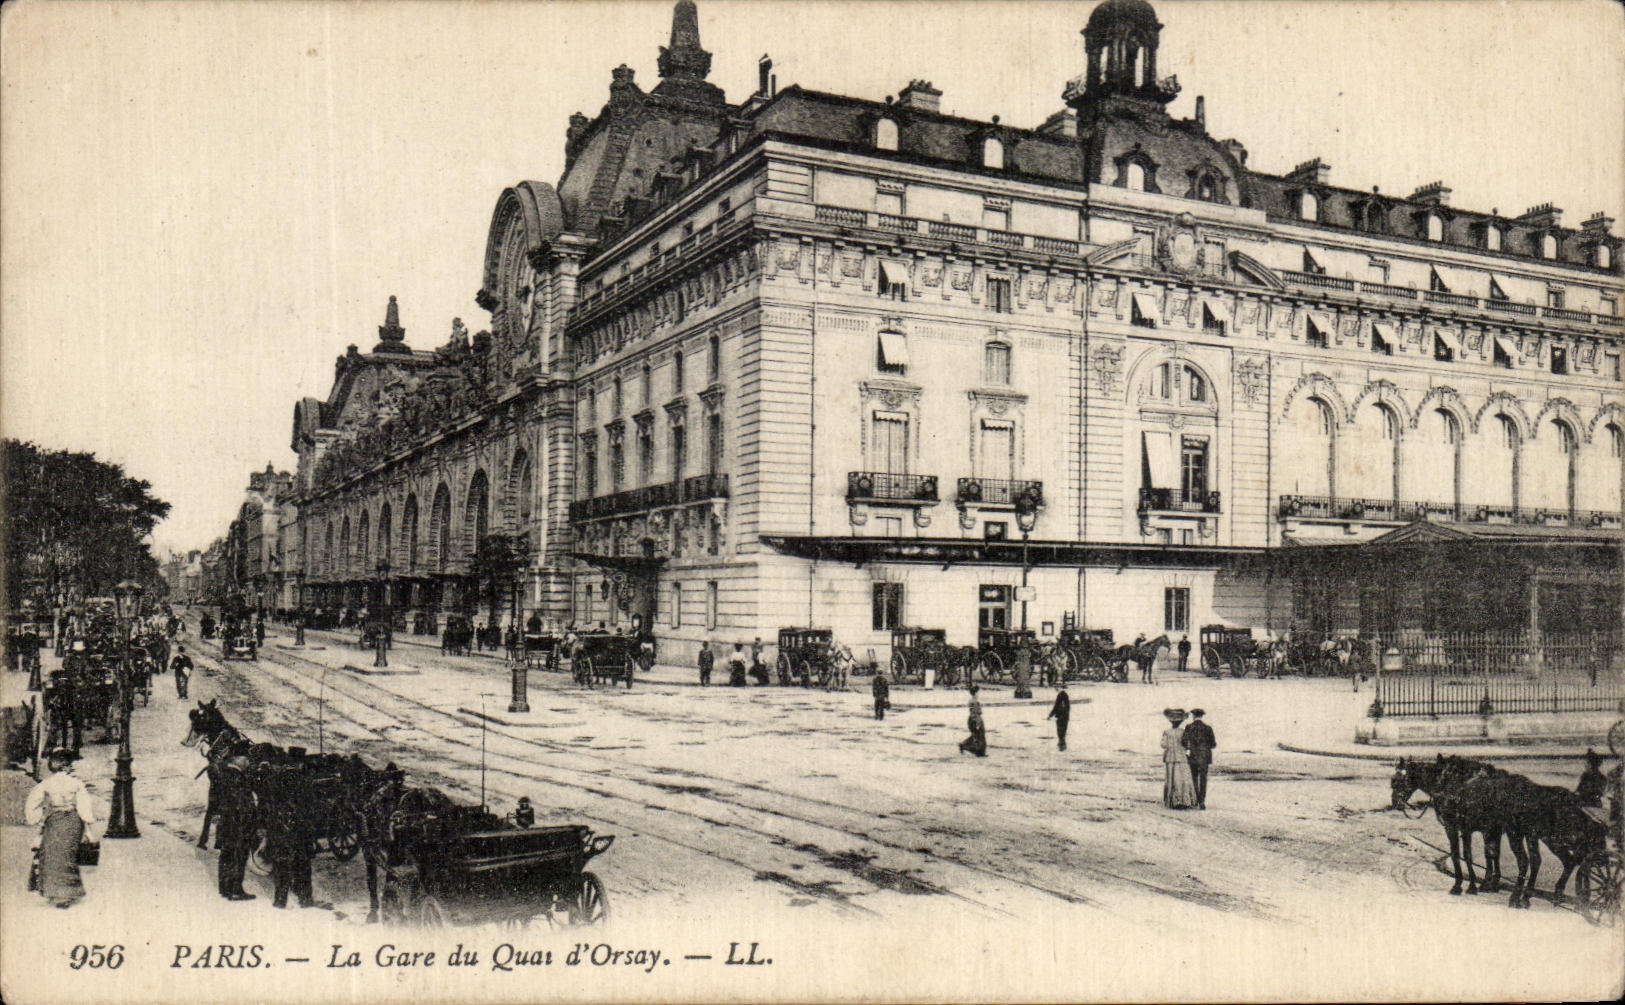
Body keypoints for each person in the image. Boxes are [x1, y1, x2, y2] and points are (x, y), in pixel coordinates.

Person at [25, 748, 99, 909]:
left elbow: (33, 803)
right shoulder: (76, 783)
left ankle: (56, 893)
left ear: (52, 765)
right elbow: (84, 806)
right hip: (73, 820)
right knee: (69, 855)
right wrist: (88, 823)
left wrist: (36, 819)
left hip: (55, 820)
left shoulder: (46, 784)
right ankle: (69, 892)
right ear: (67, 765)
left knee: (52, 854)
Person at [216, 752, 256, 901]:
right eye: (246, 758)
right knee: (238, 856)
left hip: (228, 825)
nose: (248, 762)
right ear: (237, 759)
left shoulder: (225, 773)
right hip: (238, 825)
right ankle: (235, 890)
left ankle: (225, 888)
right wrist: (250, 821)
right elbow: (241, 804)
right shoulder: (236, 776)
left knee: (227, 855)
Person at [1161, 709, 1198, 809]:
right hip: (1181, 757)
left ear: (1171, 722)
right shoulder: (1183, 732)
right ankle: (1185, 801)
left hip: (1170, 758)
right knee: (1183, 779)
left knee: (1171, 779)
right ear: (1180, 722)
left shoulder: (1166, 732)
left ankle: (1172, 801)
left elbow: (1163, 745)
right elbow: (1188, 745)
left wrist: (1170, 745)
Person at [1181, 708, 1216, 809]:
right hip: (1205, 757)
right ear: (1202, 716)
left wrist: (1190, 747)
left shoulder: (1189, 727)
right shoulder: (1208, 728)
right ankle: (1202, 801)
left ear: (1193, 716)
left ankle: (1196, 799)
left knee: (1194, 778)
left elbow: (1183, 742)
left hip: (1193, 757)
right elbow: (1213, 744)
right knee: (1203, 779)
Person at [959, 685, 987, 756]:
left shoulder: (973, 701)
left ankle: (964, 745)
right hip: (976, 719)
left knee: (976, 736)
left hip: (974, 719)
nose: (979, 694)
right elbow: (975, 713)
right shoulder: (975, 702)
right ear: (975, 693)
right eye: (978, 692)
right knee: (980, 736)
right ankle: (978, 751)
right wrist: (977, 723)